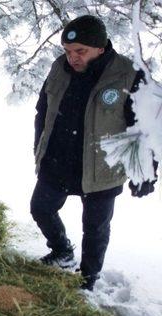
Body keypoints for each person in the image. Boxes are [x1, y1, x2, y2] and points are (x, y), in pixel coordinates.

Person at [31, 15, 155, 291]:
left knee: (95, 230)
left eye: (80, 51)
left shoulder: (128, 74)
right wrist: (39, 145)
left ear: (100, 48)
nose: (72, 58)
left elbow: (146, 127)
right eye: (67, 51)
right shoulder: (59, 68)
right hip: (58, 160)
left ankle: (87, 279)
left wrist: (144, 169)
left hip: (102, 168)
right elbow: (43, 110)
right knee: (40, 208)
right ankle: (62, 251)